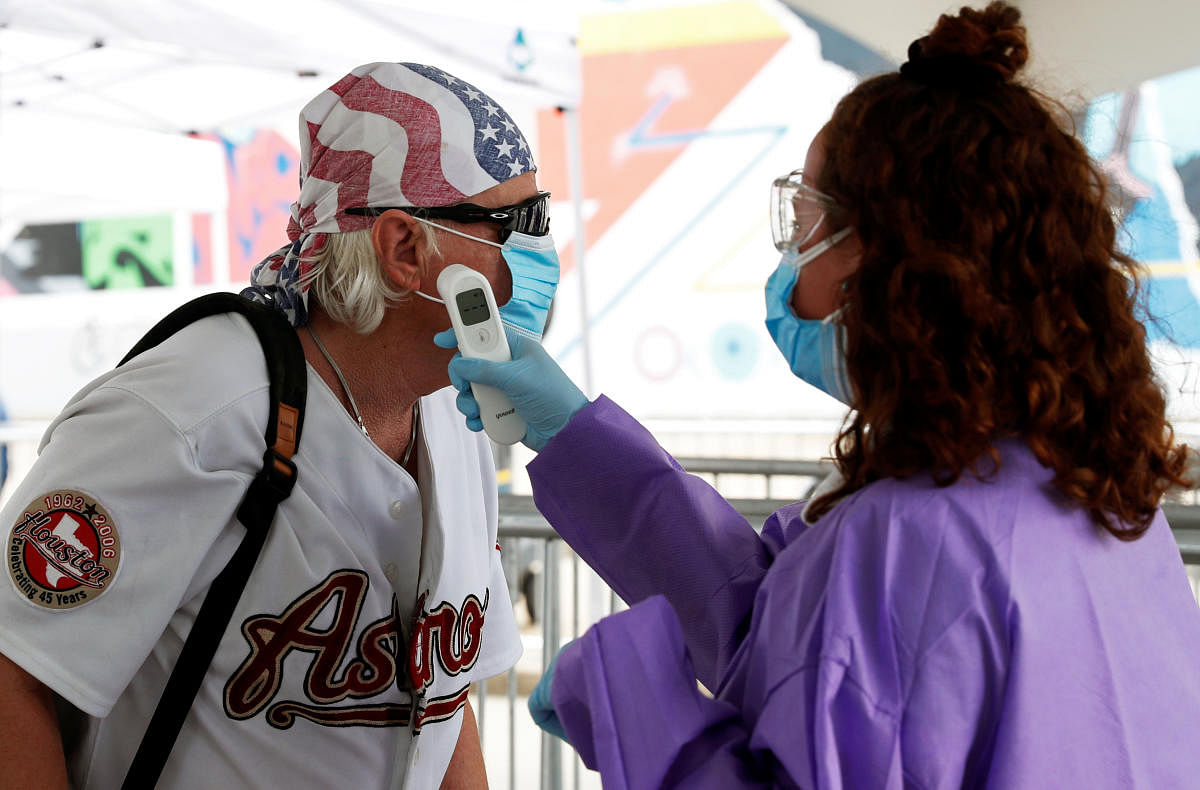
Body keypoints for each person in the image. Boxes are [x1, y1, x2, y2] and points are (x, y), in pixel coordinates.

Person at [437, 4, 1200, 787]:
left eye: (803, 218)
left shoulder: (908, 539)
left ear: (891, 256)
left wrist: (631, 697)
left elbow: (823, 662)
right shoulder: (1102, 502)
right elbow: (785, 629)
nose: (790, 261)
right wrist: (575, 436)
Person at [0, 61, 562, 789]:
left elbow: (445, 704)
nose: (545, 248)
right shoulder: (188, 412)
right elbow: (17, 676)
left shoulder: (454, 410)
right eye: (520, 222)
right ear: (404, 248)